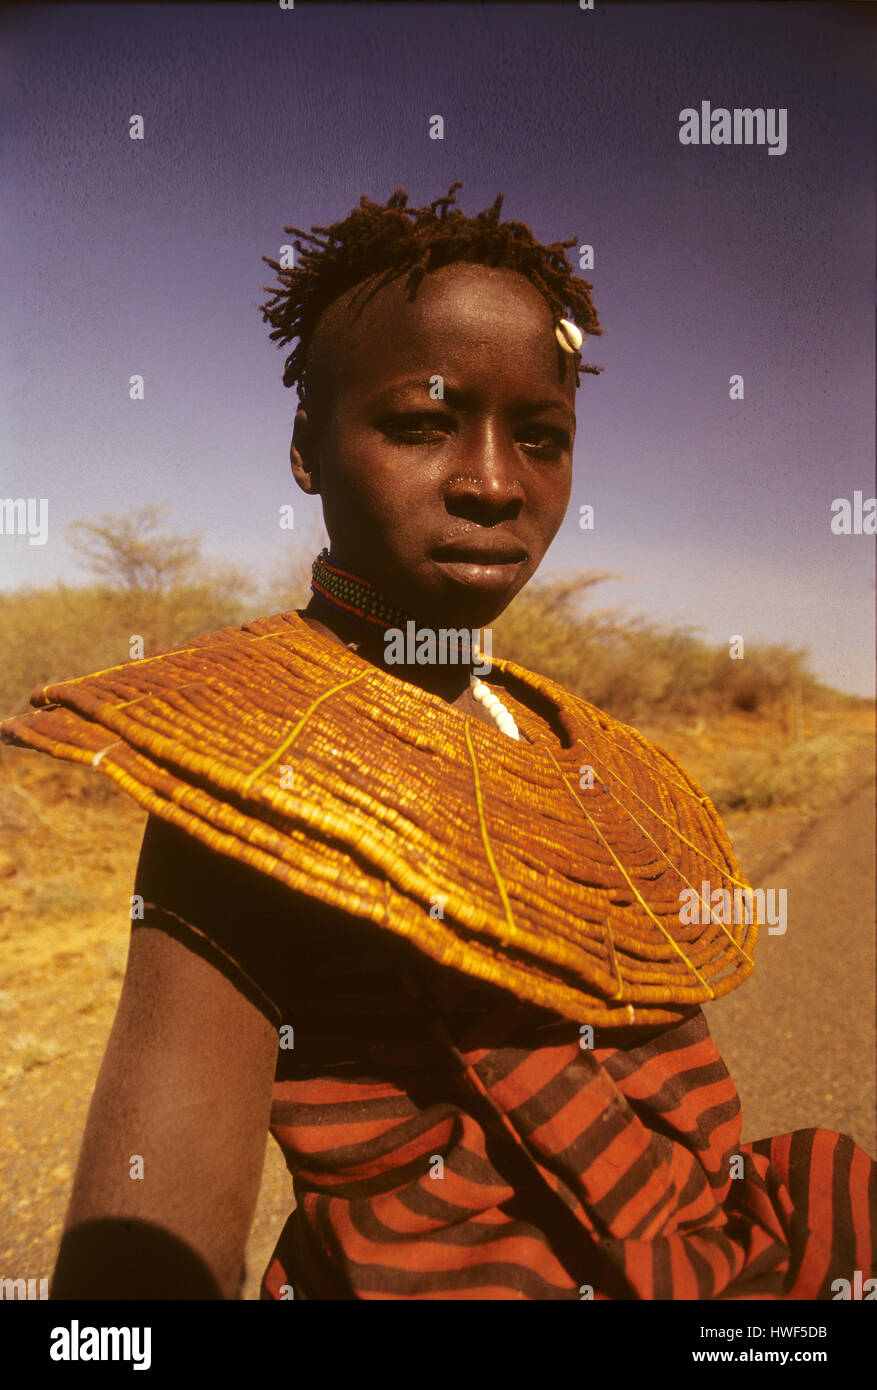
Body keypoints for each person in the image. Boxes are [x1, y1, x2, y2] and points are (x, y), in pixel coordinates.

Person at [2, 184, 873, 1301]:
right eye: (421, 422)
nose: (492, 483)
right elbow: (136, 1272)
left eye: (542, 437)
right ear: (307, 448)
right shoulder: (257, 769)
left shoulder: (590, 759)